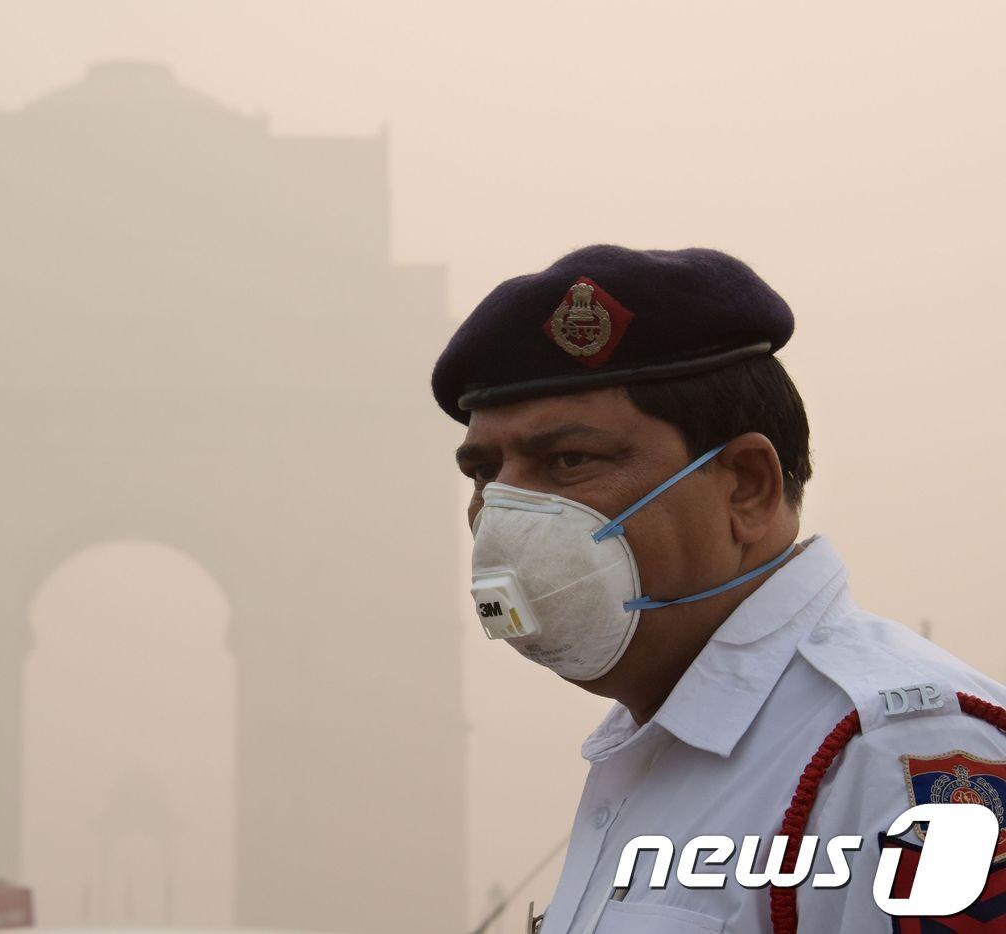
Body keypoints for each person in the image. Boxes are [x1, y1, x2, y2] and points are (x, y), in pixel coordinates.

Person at [431, 245, 1006, 933]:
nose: (504, 515)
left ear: (747, 487)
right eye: (484, 473)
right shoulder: (649, 750)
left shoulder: (894, 751)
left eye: (570, 460)